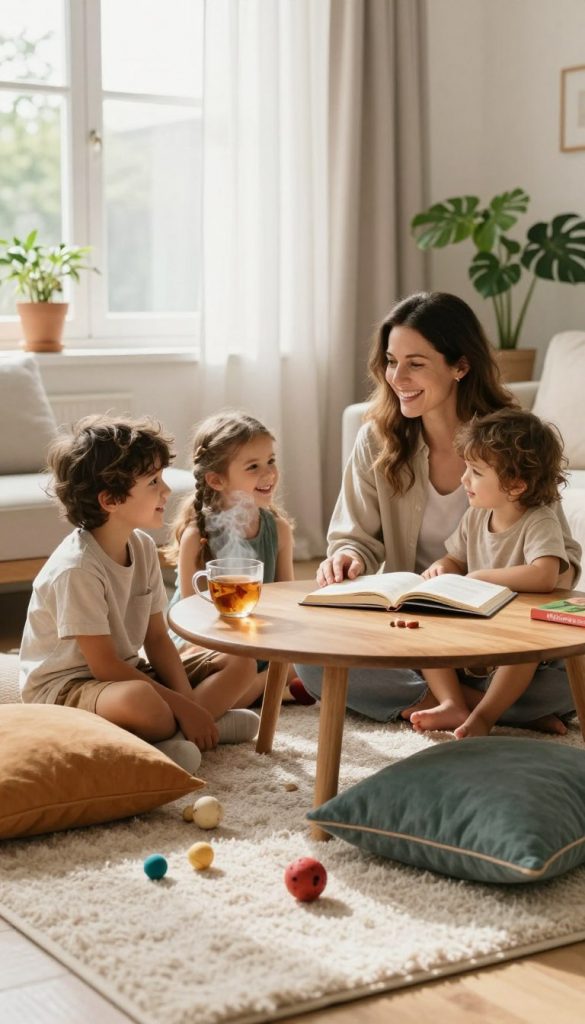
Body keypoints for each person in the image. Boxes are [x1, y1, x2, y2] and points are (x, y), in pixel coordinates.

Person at [296, 291, 581, 731]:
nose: (397, 377)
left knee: (574, 670)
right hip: (420, 629)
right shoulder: (377, 440)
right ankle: (491, 708)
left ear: (460, 366)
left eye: (416, 363)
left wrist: (494, 582)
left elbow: (563, 562)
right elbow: (354, 537)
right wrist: (347, 558)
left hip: (503, 635)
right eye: (391, 361)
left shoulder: (511, 440)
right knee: (311, 662)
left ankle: (469, 703)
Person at [19, 415, 261, 776]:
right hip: (69, 688)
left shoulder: (143, 546)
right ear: (110, 499)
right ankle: (195, 730)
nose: (166, 491)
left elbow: (157, 637)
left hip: (126, 673)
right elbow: (104, 667)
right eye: (153, 482)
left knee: (240, 662)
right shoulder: (77, 568)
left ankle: (181, 734)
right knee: (144, 702)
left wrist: (188, 705)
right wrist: (185, 707)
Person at [410, 408, 577, 738]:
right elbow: (455, 559)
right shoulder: (475, 517)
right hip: (479, 644)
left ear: (515, 485)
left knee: (559, 679)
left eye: (474, 471)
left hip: (523, 647)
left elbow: (544, 574)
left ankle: (485, 715)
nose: (463, 480)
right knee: (422, 630)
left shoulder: (539, 519)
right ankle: (454, 703)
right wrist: (442, 568)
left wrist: (479, 577)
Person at [164, 410, 314, 706]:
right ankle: (267, 689)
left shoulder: (279, 530)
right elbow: (188, 612)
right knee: (240, 666)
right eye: (253, 466)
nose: (268, 474)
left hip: (257, 636)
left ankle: (248, 694)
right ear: (217, 480)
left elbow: (286, 599)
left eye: (270, 461)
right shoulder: (197, 535)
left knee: (314, 654)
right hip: (207, 639)